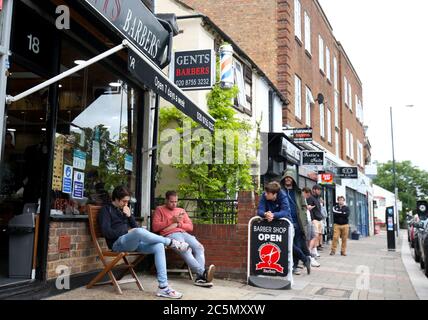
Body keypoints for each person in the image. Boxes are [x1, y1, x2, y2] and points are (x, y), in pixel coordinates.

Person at [98, 186, 189, 299]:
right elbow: (107, 232)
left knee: (158, 246)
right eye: (124, 201)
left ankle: (163, 287)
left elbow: (136, 228)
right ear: (116, 199)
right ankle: (170, 242)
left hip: (132, 243)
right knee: (139, 232)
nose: (126, 204)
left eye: (127, 201)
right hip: (117, 244)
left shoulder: (124, 209)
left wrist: (129, 216)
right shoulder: (106, 210)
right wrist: (127, 231)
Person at [152, 191, 215, 288]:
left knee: (199, 248)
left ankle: (200, 278)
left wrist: (178, 224)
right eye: (171, 202)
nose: (174, 204)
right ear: (166, 200)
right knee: (186, 250)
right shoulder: (159, 209)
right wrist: (171, 221)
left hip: (184, 233)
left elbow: (190, 227)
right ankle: (203, 273)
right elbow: (155, 227)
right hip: (171, 235)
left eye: (176, 202)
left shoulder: (181, 210)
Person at [281, 169, 318, 275]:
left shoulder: (298, 192)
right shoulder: (281, 190)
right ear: (284, 179)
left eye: (290, 177)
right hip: (284, 220)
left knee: (296, 243)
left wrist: (305, 222)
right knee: (289, 243)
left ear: (293, 180)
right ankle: (305, 258)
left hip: (297, 221)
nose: (288, 179)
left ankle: (295, 266)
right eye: (286, 177)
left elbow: (303, 207)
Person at [307, 185, 324, 258]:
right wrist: (312, 219)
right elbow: (309, 209)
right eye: (318, 190)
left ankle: (314, 251)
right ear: (313, 190)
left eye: (320, 190)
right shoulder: (310, 198)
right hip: (314, 220)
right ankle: (311, 252)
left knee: (317, 237)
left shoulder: (317, 198)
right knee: (314, 236)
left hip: (319, 219)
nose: (319, 191)